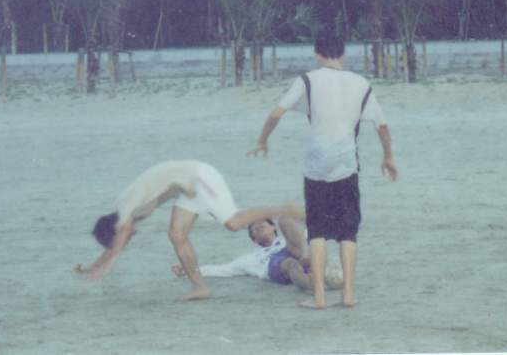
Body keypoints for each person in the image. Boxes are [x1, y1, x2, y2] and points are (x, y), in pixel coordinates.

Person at [250, 30, 398, 309]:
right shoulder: (361, 83)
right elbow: (382, 125)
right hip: (346, 163)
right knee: (348, 233)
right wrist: (388, 156)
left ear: (317, 55)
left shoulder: (307, 80)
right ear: (343, 55)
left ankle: (318, 297)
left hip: (317, 165)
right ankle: (348, 294)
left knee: (317, 232)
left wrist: (262, 140)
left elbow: (276, 112)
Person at [75, 159, 299, 301]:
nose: (131, 235)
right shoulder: (125, 213)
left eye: (125, 235)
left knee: (233, 223)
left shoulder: (126, 209)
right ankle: (200, 288)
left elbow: (119, 239)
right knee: (176, 235)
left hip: (199, 177)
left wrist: (105, 267)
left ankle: (284, 209)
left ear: (116, 227)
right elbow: (117, 241)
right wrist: (93, 266)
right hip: (185, 189)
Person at [171, 214, 343, 292]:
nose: (259, 225)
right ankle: (314, 285)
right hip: (276, 262)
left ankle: (313, 264)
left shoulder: (290, 239)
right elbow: (221, 269)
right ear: (254, 239)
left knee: (285, 218)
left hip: (297, 251)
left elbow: (318, 232)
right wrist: (187, 269)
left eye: (263, 223)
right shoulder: (250, 258)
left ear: (273, 228)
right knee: (290, 264)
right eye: (254, 227)